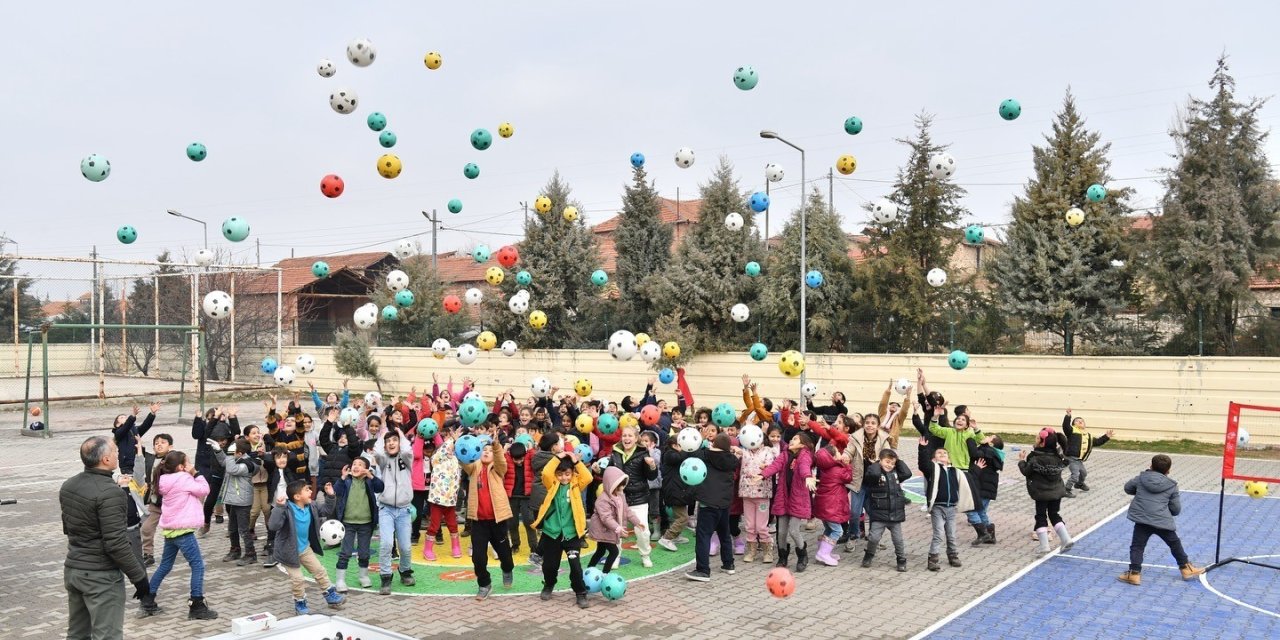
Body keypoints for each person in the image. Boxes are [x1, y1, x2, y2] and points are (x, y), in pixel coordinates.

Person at [61, 436, 150, 640]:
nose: (118, 454)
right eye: (115, 451)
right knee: (107, 636)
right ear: (106, 460)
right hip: (100, 577)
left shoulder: (69, 485)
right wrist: (139, 577)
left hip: (74, 570)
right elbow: (116, 543)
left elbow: (68, 527)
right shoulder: (111, 493)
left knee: (77, 634)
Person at [139, 450, 217, 620]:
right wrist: (195, 472)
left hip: (171, 530)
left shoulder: (163, 479)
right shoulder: (183, 478)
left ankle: (147, 601)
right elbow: (204, 490)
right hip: (183, 531)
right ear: (181, 466)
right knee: (198, 565)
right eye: (187, 463)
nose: (189, 465)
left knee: (165, 566)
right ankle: (197, 604)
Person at [1117, 454, 1205, 585]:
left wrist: (1141, 490)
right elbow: (1176, 509)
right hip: (1162, 520)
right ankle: (1186, 568)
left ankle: (1134, 574)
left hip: (1142, 520)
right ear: (1168, 470)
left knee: (1137, 546)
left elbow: (1128, 488)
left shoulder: (1141, 478)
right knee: (1174, 543)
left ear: (1151, 466)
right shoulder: (1172, 485)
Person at [269, 479, 346, 615]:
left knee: (319, 571)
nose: (311, 491)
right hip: (288, 552)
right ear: (297, 497)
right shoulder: (286, 509)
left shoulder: (312, 506)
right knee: (298, 579)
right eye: (307, 490)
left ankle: (330, 596)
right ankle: (300, 602)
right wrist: (279, 507)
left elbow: (327, 510)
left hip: (305, 548)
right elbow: (273, 526)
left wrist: (331, 495)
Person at [532, 452, 593, 608]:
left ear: (572, 473)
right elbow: (546, 472)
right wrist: (558, 457)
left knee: (576, 567)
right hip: (552, 533)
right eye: (560, 474)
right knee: (550, 566)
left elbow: (588, 477)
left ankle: (580, 593)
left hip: (572, 534)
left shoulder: (576, 485)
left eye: (567, 474)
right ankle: (549, 584)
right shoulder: (552, 484)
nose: (564, 478)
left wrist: (576, 461)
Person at [462, 441, 516, 600]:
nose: (486, 452)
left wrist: (497, 446)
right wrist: (458, 445)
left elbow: (501, 461)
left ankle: (507, 569)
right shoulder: (474, 467)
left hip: (497, 521)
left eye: (489, 451)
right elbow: (464, 461)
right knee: (478, 557)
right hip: (479, 521)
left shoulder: (498, 468)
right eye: (483, 450)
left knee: (505, 554)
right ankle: (484, 584)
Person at [684, 433, 741, 582]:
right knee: (724, 534)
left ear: (714, 443)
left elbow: (691, 452)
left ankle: (703, 570)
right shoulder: (732, 459)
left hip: (707, 503)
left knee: (703, 536)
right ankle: (728, 564)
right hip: (724, 503)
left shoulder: (705, 455)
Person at [919, 434, 979, 571]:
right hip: (938, 507)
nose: (942, 454)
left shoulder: (955, 471)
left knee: (951, 534)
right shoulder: (932, 470)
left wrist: (977, 469)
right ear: (934, 458)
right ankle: (933, 559)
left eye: (945, 453)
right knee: (938, 534)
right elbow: (923, 464)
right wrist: (922, 449)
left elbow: (968, 478)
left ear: (949, 459)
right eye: (939, 453)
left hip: (951, 508)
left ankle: (953, 555)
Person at [760, 431, 816, 573]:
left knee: (793, 530)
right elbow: (774, 466)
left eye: (795, 438)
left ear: (802, 443)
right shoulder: (784, 454)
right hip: (783, 498)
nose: (791, 440)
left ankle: (803, 555)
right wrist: (762, 474)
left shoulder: (805, 455)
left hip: (797, 499)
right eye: (791, 438)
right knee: (781, 532)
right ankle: (782, 557)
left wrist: (808, 476)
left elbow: (804, 468)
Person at [329, 457, 384, 592]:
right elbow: (337, 490)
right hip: (348, 523)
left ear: (366, 469)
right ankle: (340, 580)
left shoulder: (369, 482)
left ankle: (363, 576)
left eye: (360, 465)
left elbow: (380, 487)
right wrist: (342, 477)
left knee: (364, 552)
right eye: (354, 464)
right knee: (345, 552)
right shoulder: (347, 481)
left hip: (366, 523)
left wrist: (371, 476)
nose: (356, 466)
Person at [607, 426, 658, 568]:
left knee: (642, 530)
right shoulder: (615, 453)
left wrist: (652, 465)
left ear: (636, 439)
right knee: (615, 530)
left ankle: (645, 555)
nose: (626, 439)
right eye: (624, 436)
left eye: (630, 436)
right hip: (618, 498)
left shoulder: (643, 454)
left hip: (638, 497)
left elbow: (652, 476)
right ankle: (615, 556)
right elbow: (610, 472)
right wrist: (601, 470)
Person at [1019, 428, 1074, 555]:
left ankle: (1044, 545)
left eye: (1038, 437)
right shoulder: (1058, 456)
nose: (1036, 439)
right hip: (1056, 492)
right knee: (1054, 514)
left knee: (1041, 516)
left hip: (1041, 493)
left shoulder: (1034, 457)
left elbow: (1026, 472)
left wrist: (1021, 461)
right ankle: (1066, 539)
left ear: (1042, 443)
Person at [374, 426, 416, 594]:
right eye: (388, 441)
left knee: (405, 547)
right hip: (386, 509)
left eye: (394, 440)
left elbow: (407, 450)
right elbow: (377, 452)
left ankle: (405, 571)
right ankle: (385, 577)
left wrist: (400, 435)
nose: (391, 443)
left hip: (404, 510)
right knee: (386, 543)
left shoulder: (406, 459)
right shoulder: (383, 460)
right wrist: (382, 434)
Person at [587, 466, 646, 574]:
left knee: (600, 551)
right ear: (611, 484)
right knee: (614, 551)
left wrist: (637, 522)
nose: (622, 488)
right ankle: (605, 573)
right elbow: (606, 518)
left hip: (609, 529)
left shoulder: (620, 495)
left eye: (623, 485)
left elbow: (626, 510)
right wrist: (618, 528)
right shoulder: (603, 499)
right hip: (602, 530)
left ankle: (589, 569)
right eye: (619, 486)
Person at [862, 449, 913, 571]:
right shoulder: (875, 474)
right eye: (887, 461)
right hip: (879, 515)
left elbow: (907, 473)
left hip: (895, 516)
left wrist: (898, 461)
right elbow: (872, 474)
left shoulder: (896, 474)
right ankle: (869, 554)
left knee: (898, 540)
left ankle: (901, 559)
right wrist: (876, 464)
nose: (889, 465)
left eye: (892, 463)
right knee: (873, 538)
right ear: (880, 460)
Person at [216, 437, 260, 565]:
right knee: (232, 528)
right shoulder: (237, 459)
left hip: (242, 502)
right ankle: (235, 550)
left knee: (243, 529)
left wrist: (229, 454)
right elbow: (225, 462)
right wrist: (218, 451)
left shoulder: (247, 464)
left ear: (240, 453)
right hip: (234, 500)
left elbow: (231, 469)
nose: (231, 454)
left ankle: (251, 554)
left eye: (233, 451)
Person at [737, 426, 778, 563]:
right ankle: (751, 550)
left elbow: (771, 466)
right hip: (747, 493)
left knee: (761, 525)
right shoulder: (744, 451)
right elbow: (735, 455)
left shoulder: (768, 451)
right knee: (749, 525)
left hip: (762, 494)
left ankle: (768, 550)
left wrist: (763, 467)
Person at [423, 434, 463, 561]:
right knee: (434, 525)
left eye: (453, 448)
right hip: (437, 499)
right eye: (449, 448)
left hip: (450, 500)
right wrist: (451, 439)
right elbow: (443, 450)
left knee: (453, 524)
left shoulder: (456, 460)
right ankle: (428, 549)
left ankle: (455, 546)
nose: (451, 449)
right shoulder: (437, 459)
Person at [812, 444, 853, 567]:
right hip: (831, 507)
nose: (840, 453)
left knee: (829, 529)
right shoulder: (837, 470)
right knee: (837, 531)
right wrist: (848, 465)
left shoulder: (826, 469)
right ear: (833, 458)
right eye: (838, 451)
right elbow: (848, 478)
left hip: (825, 507)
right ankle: (823, 553)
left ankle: (824, 551)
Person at [525, 431, 561, 567]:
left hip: (537, 498)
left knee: (549, 529)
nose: (559, 446)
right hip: (546, 498)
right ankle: (538, 555)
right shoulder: (554, 460)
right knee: (551, 529)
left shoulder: (537, 457)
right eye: (557, 444)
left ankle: (541, 556)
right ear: (553, 447)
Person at [138, 433, 173, 567]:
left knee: (172, 530)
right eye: (156, 443)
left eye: (163, 442)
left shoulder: (173, 459)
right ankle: (148, 554)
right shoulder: (151, 459)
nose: (159, 445)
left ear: (170, 446)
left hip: (170, 502)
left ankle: (176, 552)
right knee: (146, 528)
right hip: (155, 502)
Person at [1062, 409, 1115, 498]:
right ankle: (1066, 490)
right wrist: (1068, 416)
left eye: (1082, 421)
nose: (1080, 421)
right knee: (1075, 475)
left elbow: (1097, 442)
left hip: (1079, 460)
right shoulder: (1072, 431)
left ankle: (1079, 484)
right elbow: (1065, 426)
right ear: (1074, 424)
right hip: (1071, 458)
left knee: (1084, 473)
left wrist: (1106, 437)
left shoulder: (1088, 436)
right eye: (1077, 421)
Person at [965, 435, 1004, 545]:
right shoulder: (990, 452)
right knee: (981, 511)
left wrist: (970, 439)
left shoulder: (987, 451)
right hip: (986, 487)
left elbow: (973, 453)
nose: (986, 436)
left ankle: (983, 534)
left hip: (983, 487)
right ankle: (990, 535)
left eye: (990, 437)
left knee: (971, 510)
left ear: (991, 444)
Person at [503, 441, 537, 554]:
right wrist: (504, 451)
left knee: (529, 521)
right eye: (515, 459)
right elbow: (500, 464)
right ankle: (515, 544)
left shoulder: (529, 458)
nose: (519, 462)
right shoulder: (507, 458)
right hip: (512, 496)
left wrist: (531, 450)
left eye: (521, 459)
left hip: (526, 496)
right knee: (512, 522)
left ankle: (533, 546)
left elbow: (536, 461)